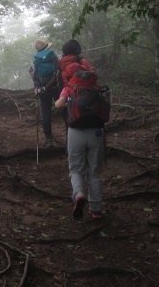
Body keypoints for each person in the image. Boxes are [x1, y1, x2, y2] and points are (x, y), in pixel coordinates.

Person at [54, 39, 106, 220]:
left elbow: (58, 105)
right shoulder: (94, 85)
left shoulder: (69, 88)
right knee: (95, 170)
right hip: (97, 132)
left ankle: (78, 195)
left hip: (75, 130)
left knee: (76, 168)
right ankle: (97, 209)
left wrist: (63, 98)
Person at [31, 39, 59, 147]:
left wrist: (38, 88)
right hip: (54, 86)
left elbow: (35, 75)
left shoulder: (36, 58)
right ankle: (70, 135)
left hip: (42, 87)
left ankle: (48, 139)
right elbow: (58, 69)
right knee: (64, 108)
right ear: (46, 47)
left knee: (45, 112)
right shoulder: (51, 54)